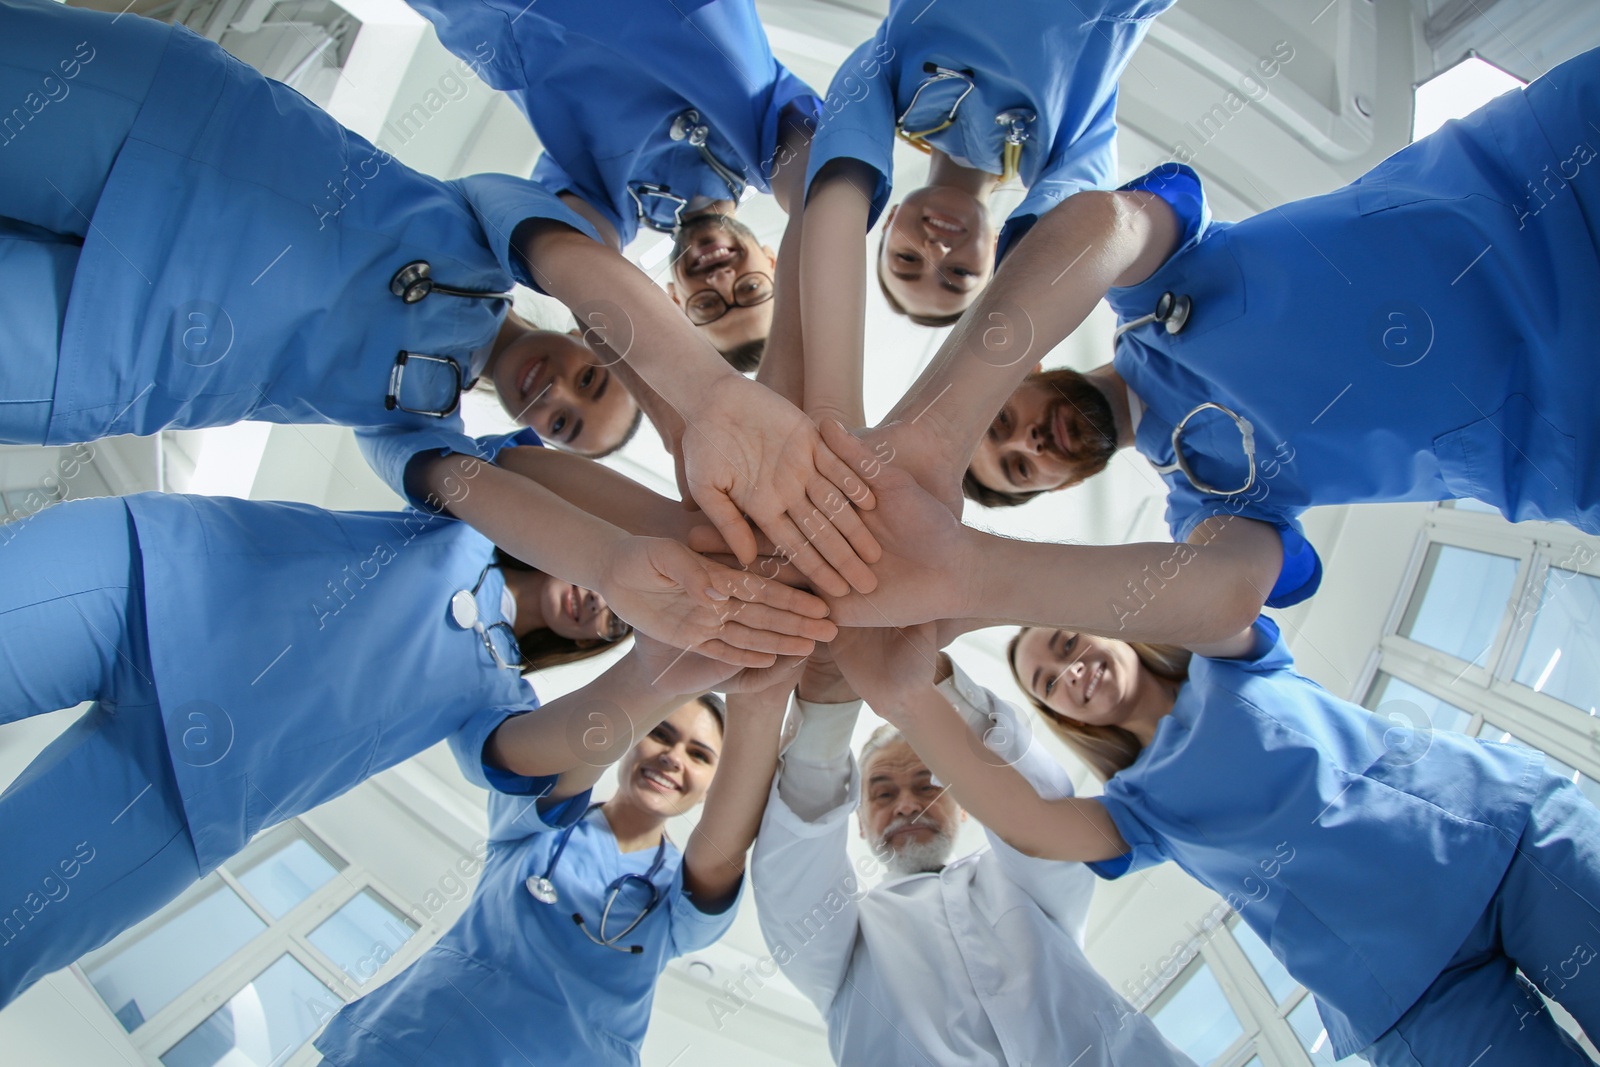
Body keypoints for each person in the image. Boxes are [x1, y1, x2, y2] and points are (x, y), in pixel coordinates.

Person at [0, 0, 880, 598]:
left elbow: (471, 485)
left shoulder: (412, 421)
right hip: (167, 127)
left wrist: (636, 559)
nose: (557, 394)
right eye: (593, 380)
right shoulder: (494, 231)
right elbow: (580, 261)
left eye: (564, 422)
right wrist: (715, 396)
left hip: (100, 350)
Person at [783, 42, 1600, 647]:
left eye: (999, 423)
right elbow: (1229, 594)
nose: (1030, 438)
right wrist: (964, 570)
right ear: (1058, 485)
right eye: (1022, 465)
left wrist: (934, 430)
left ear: (1021, 373)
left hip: (1551, 180)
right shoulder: (1209, 506)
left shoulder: (1144, 289)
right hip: (1575, 438)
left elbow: (1106, 222)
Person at [0, 450, 835, 1006]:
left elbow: (538, 758)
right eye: (623, 590)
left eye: (620, 626)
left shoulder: (491, 693)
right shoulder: (476, 519)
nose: (608, 609)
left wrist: (672, 661)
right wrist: (706, 553)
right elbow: (478, 468)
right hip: (149, 584)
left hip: (181, 796)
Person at [832, 619, 1600, 1066]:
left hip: (1501, 850)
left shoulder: (1231, 653)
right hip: (1412, 996)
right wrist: (903, 690)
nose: (1070, 671)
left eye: (1067, 640)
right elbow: (1025, 820)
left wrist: (964, 605)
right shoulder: (1140, 808)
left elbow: (1208, 585)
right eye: (1047, 682)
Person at [315, 664, 802, 1065]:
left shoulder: (679, 893)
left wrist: (764, 692)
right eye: (662, 734)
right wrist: (677, 665)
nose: (674, 758)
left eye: (698, 755)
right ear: (633, 740)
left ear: (712, 785)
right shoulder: (535, 828)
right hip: (422, 1042)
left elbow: (722, 851)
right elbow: (575, 759)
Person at [750, 645, 1196, 1066]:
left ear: (964, 802)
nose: (907, 805)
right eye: (883, 793)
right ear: (860, 823)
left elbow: (1037, 804)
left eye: (927, 785)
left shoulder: (1021, 879)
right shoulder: (842, 934)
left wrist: (928, 670)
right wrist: (828, 701)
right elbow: (793, 874)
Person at [795, 0, 1173, 427]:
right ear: (996, 251)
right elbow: (1071, 239)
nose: (936, 249)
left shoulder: (882, 81)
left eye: (907, 260)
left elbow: (840, 181)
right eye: (958, 274)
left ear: (889, 218)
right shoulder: (1066, 157)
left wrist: (834, 414)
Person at [404, 0, 820, 370]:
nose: (720, 280)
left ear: (675, 298)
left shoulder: (606, 206)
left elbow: (580, 264)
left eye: (708, 305)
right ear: (773, 263)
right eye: (750, 289)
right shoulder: (769, 147)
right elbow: (816, 180)